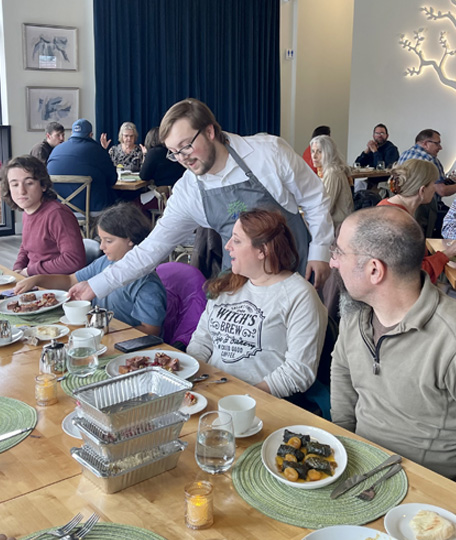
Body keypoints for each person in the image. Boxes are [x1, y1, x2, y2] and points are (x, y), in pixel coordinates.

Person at [329, 206, 456, 506]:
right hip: (363, 476)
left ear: (374, 270)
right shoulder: (357, 315)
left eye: (339, 252)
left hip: (428, 497)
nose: (333, 262)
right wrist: (344, 446)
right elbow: (342, 371)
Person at [68, 98, 333, 304]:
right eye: (173, 152)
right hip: (240, 282)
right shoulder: (189, 191)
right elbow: (151, 250)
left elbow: (314, 198)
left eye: (186, 146)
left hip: (295, 271)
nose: (182, 157)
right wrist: (95, 285)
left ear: (209, 131)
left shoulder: (268, 153)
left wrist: (320, 251)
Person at [187, 209, 327, 398]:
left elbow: (298, 371)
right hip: (209, 391)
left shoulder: (299, 295)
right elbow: (201, 342)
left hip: (258, 402)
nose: (228, 246)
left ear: (263, 250)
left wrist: (241, 398)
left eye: (236, 241)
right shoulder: (228, 284)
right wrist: (192, 380)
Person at [14, 203, 166, 336]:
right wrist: (37, 279)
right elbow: (70, 280)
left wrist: (107, 331)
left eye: (109, 241)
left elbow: (151, 330)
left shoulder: (147, 282)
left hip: (125, 344)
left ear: (131, 239)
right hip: (100, 334)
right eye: (101, 240)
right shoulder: (104, 263)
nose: (101, 247)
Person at [378, 159, 456, 282]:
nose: (435, 189)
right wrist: (449, 253)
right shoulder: (401, 223)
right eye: (434, 183)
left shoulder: (385, 206)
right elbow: (414, 274)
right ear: (422, 190)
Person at [0, 155, 85, 277]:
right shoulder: (27, 211)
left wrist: (30, 271)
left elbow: (74, 260)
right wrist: (17, 269)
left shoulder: (57, 214)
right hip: (35, 279)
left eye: (29, 183)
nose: (21, 191)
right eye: (14, 185)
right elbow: (26, 247)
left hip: (56, 285)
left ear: (43, 185)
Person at [398, 129, 456, 237]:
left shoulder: (405, 154)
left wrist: (449, 181)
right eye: (437, 143)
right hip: (424, 209)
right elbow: (441, 191)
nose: (440, 147)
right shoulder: (429, 160)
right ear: (425, 143)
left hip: (404, 208)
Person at [47, 119, 117, 212]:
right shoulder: (97, 150)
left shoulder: (56, 150)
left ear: (72, 133)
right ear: (91, 135)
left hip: (59, 210)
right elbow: (112, 179)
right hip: (92, 209)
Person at [310, 135, 353, 228]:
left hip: (337, 225)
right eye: (313, 151)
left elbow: (326, 205)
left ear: (328, 153)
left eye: (319, 152)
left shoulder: (332, 172)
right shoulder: (325, 170)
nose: (314, 156)